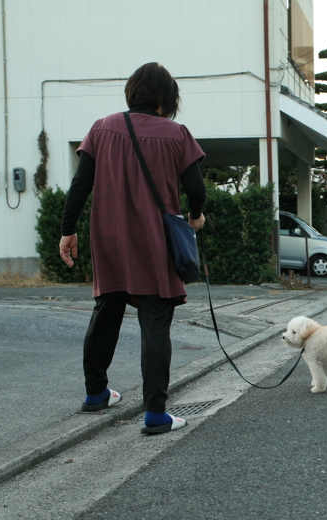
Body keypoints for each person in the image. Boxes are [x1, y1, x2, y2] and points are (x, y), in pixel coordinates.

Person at [60, 62, 206, 435]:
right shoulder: (177, 134)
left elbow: (80, 185)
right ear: (166, 98)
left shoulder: (102, 127)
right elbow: (196, 187)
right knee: (155, 322)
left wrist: (67, 230)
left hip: (108, 237)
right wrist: (195, 215)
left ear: (132, 91)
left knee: (105, 310)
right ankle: (156, 413)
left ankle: (96, 394)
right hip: (155, 241)